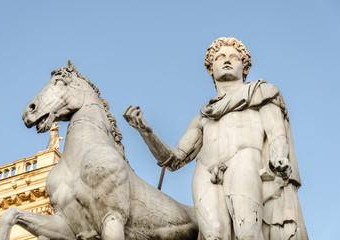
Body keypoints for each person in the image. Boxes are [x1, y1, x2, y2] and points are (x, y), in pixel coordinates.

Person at [123, 37, 308, 240]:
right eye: (220, 57)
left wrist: (279, 156)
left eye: (234, 57)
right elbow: (173, 160)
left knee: (247, 232)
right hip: (206, 170)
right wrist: (147, 133)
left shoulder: (261, 94)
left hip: (245, 159)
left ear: (245, 67)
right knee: (213, 235)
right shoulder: (203, 117)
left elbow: (276, 133)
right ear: (211, 69)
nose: (226, 61)